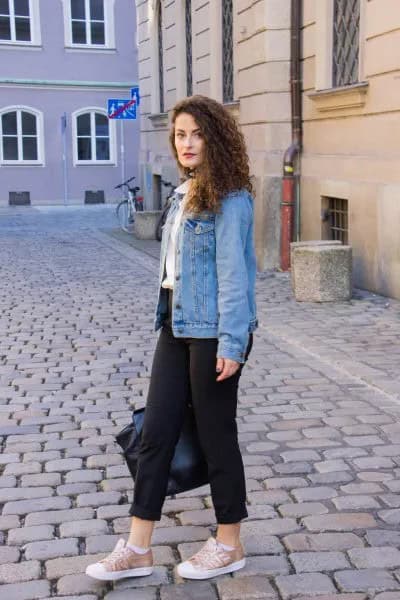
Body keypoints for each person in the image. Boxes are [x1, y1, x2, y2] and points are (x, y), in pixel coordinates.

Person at [86, 95, 258, 582]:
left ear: (215, 138)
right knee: (155, 433)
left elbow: (235, 276)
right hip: (174, 328)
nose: (187, 143)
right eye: (180, 134)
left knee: (215, 435)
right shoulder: (183, 193)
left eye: (197, 133)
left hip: (212, 334)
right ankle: (138, 547)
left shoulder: (231, 198)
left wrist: (231, 343)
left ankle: (230, 542)